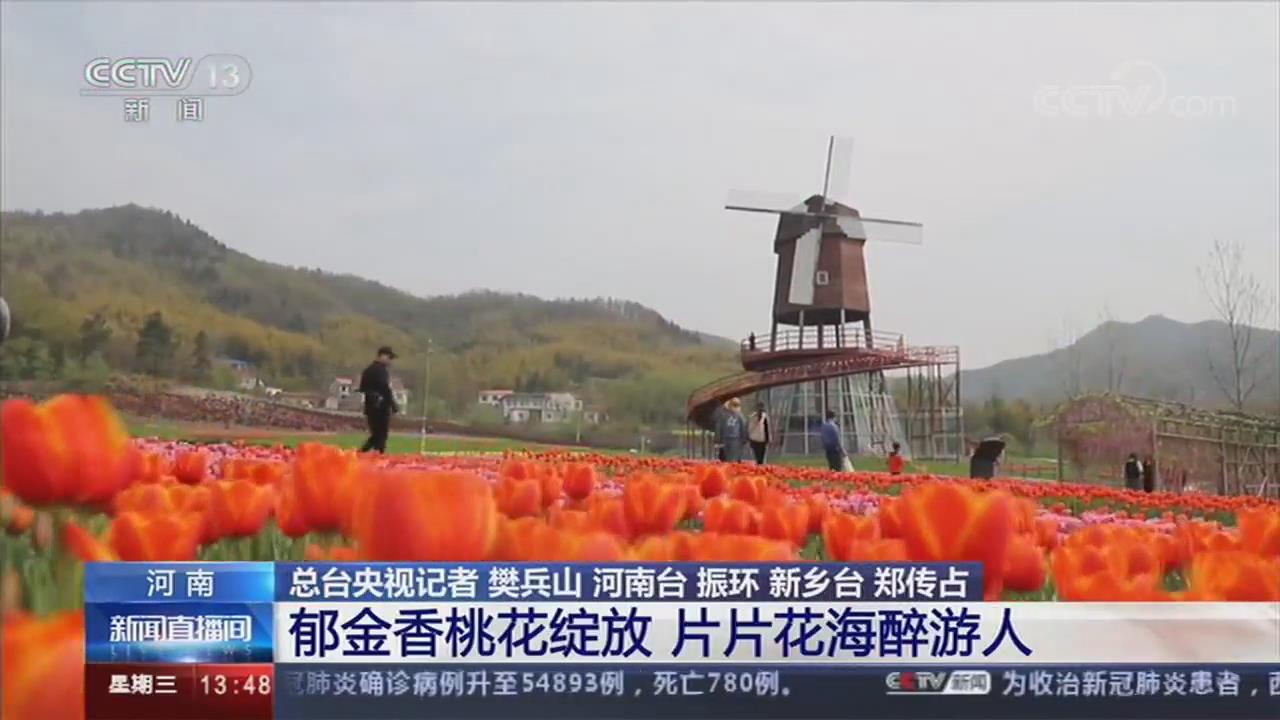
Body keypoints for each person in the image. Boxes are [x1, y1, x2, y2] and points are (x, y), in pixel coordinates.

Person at [358, 346, 400, 453]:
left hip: (370, 406)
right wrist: (394, 406)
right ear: (382, 356)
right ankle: (372, 454)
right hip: (381, 408)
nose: (390, 361)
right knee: (381, 435)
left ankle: (363, 453)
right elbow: (385, 389)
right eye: (389, 358)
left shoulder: (368, 370)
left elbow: (363, 388)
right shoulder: (381, 371)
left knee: (377, 435)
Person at [715, 398, 749, 463]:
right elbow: (743, 428)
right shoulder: (740, 416)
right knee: (734, 459)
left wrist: (718, 440)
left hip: (725, 439)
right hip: (736, 440)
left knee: (727, 459)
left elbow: (718, 428)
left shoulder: (723, 415)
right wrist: (744, 440)